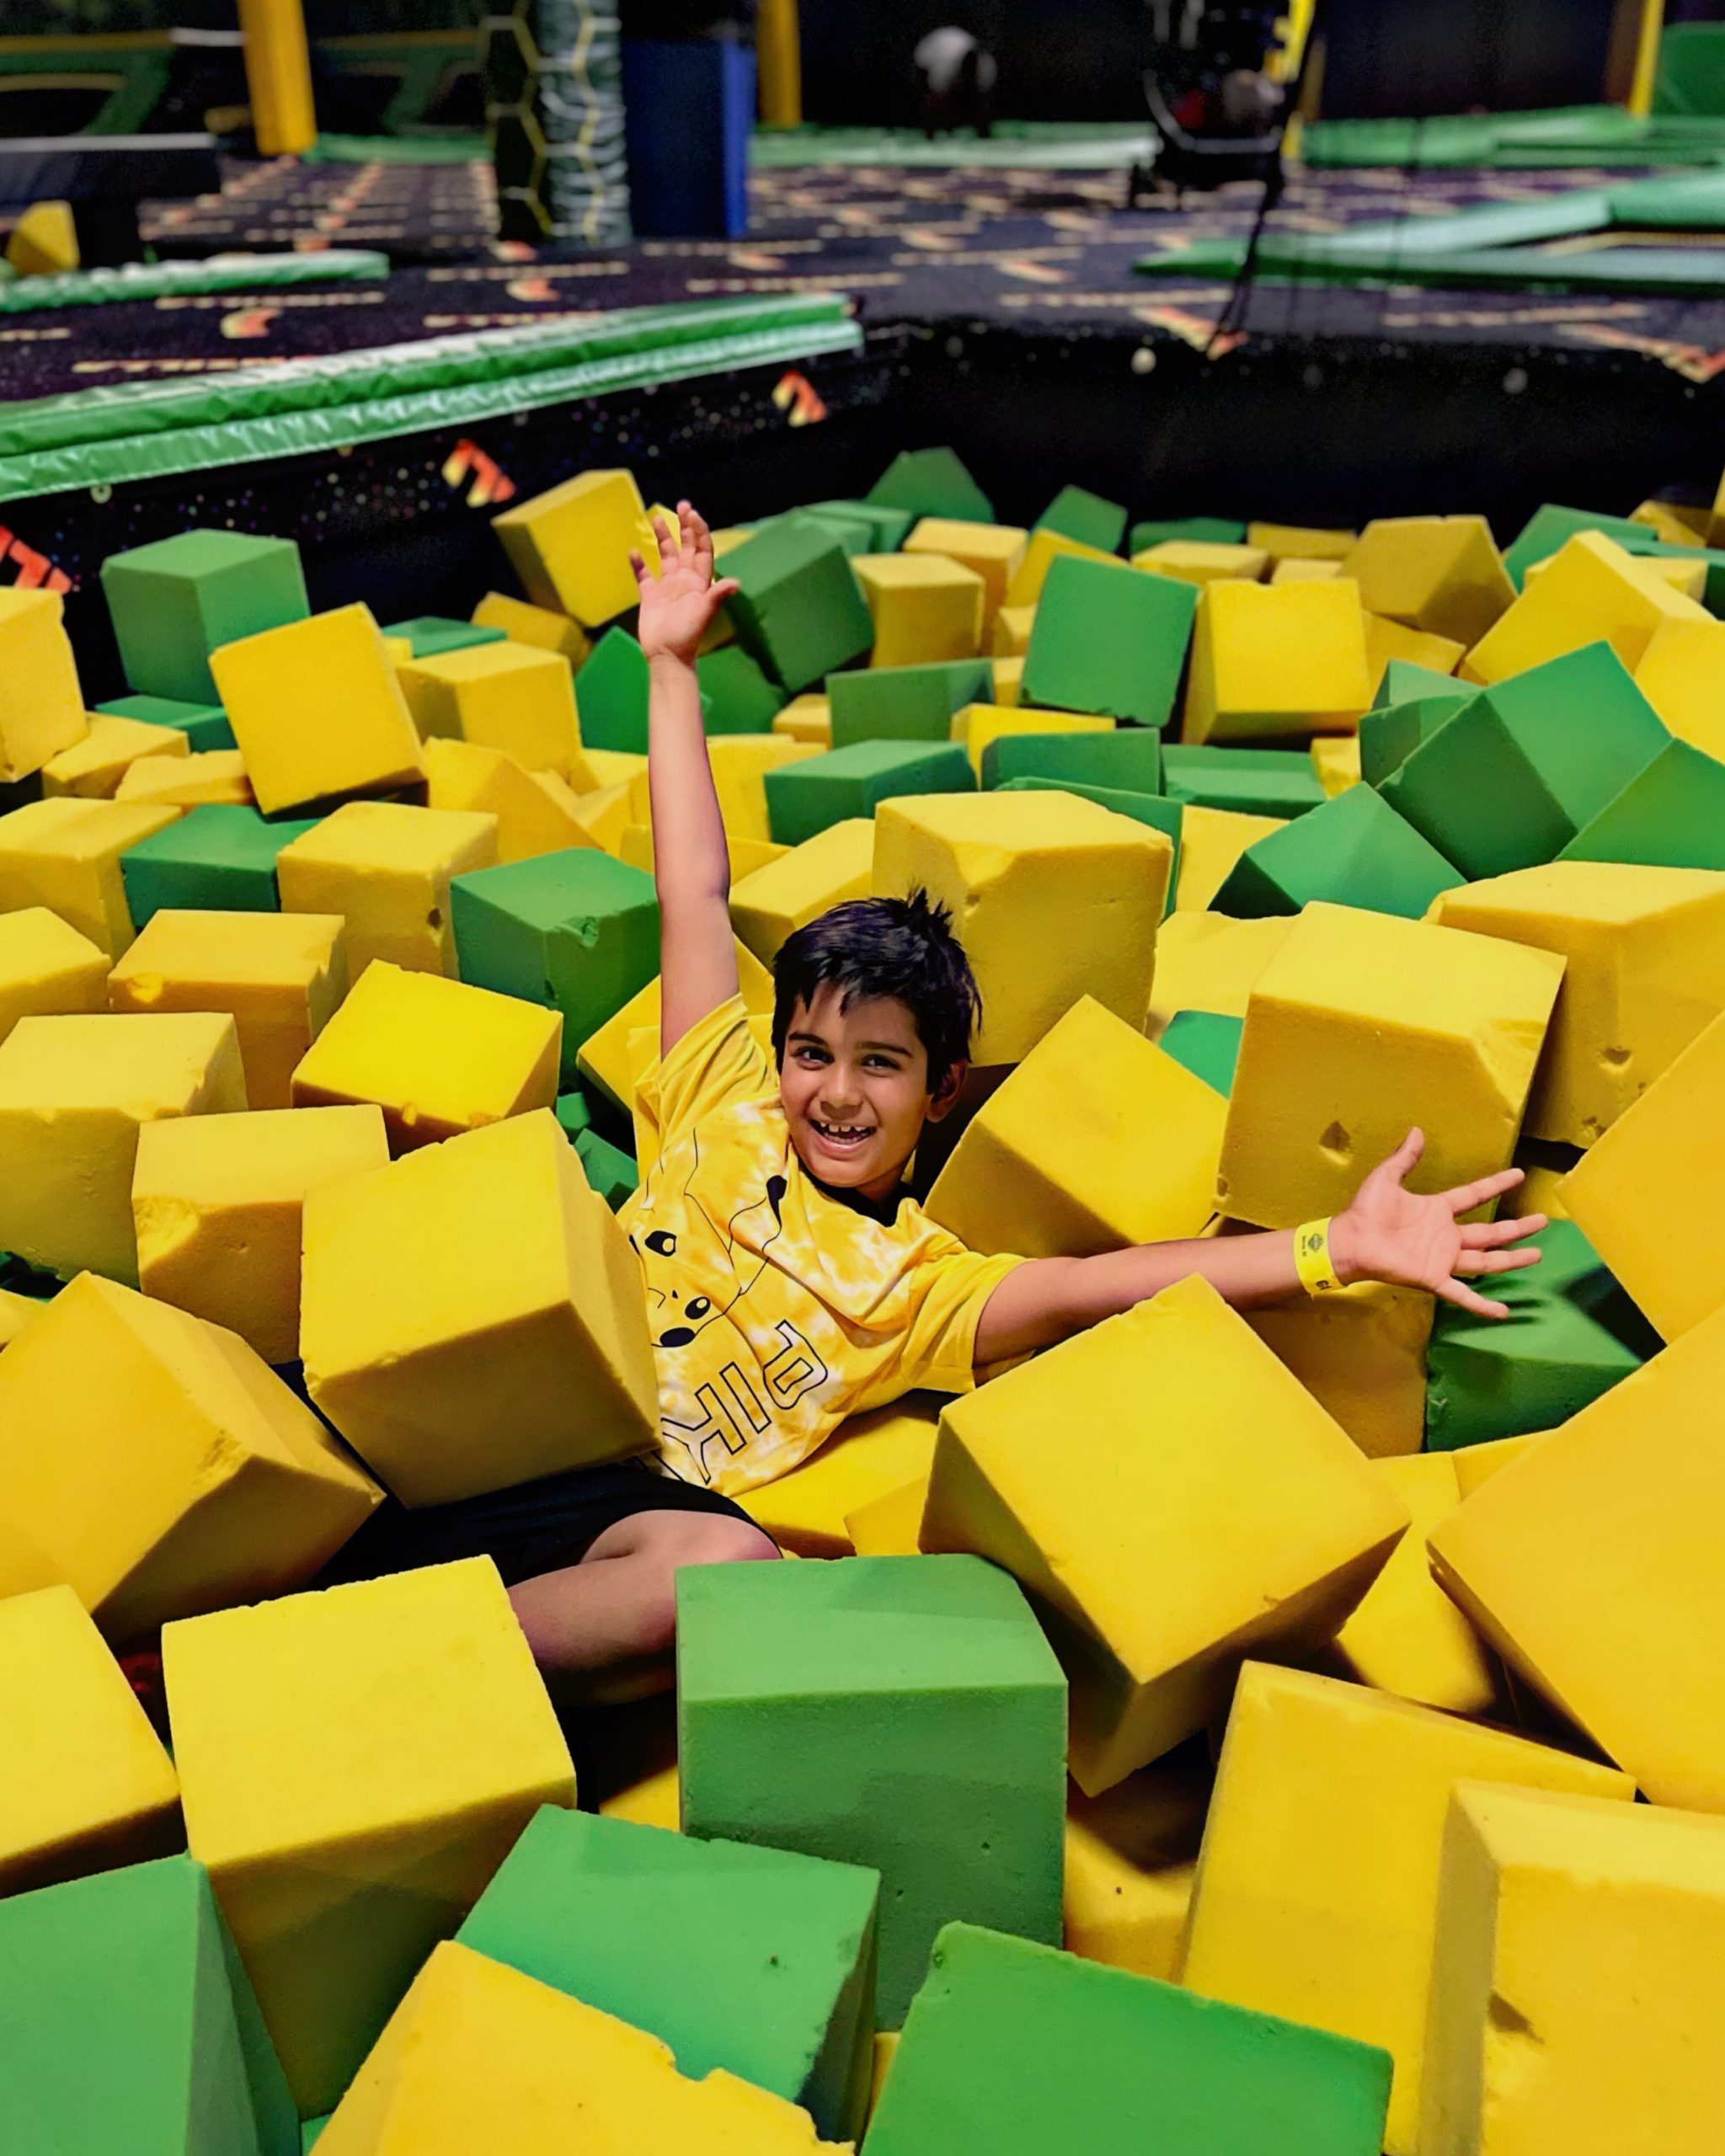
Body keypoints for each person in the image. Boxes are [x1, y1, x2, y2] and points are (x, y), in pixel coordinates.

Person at [323, 501, 1546, 1710]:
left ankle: (373, 1664)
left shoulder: (918, 1283)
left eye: (879, 1065)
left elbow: (1103, 1285)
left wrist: (1343, 1248)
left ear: (937, 1090)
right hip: (510, 1400)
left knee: (729, 1565)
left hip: (624, 1499)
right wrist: (668, 663)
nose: (833, 1094)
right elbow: (693, 889)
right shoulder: (720, 1095)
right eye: (811, 1053)